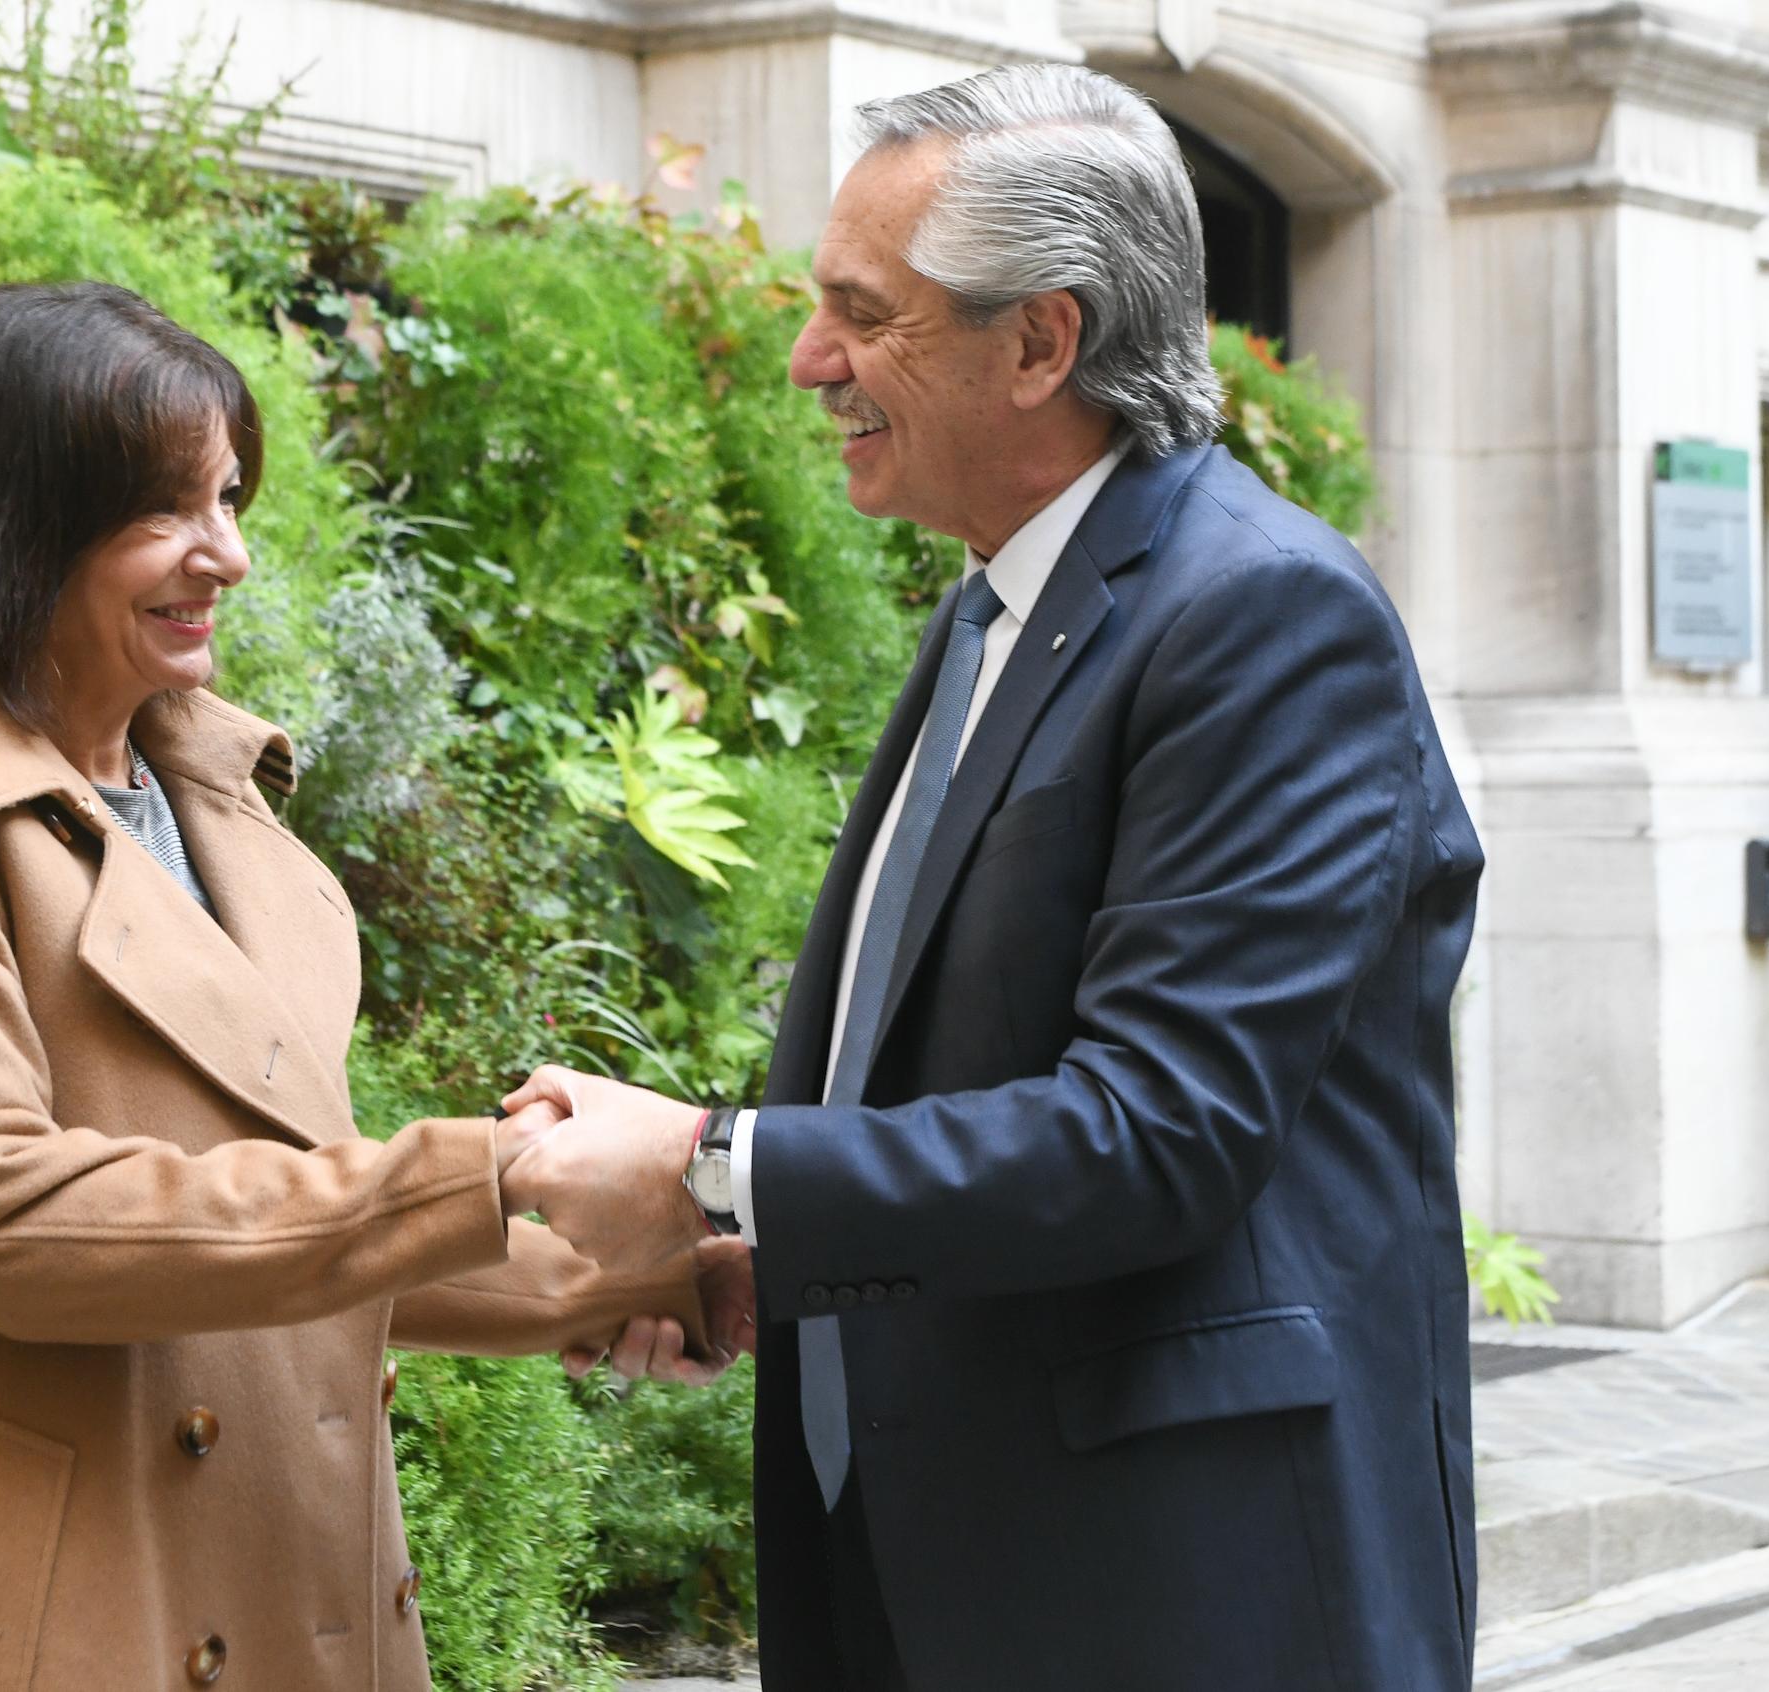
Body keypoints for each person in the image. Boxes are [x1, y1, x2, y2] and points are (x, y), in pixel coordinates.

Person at [501, 64, 1486, 1691]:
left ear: (1043, 342)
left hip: (1171, 1591)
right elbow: (953, 1065)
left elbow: (1156, 1133)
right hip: (940, 1554)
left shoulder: (1260, 615)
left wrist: (707, 1163)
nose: (812, 361)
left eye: (864, 315)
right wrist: (737, 1249)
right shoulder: (998, 602)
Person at [0, 281, 745, 1692]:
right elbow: (9, 1218)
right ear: (23, 521)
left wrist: (665, 1261)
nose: (231, 556)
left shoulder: (202, 794)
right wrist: (489, 1173)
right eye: (171, 511)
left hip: (287, 1591)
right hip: (47, 1612)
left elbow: (280, 1229)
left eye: (233, 497)